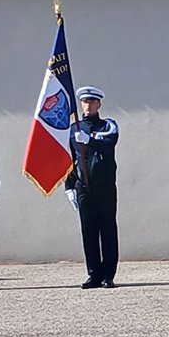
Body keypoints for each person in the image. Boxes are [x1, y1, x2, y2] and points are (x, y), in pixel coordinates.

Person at [65, 86, 120, 289]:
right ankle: (93, 274)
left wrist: (90, 139)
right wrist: (69, 186)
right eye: (84, 102)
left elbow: (110, 141)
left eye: (91, 102)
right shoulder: (73, 129)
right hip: (83, 187)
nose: (87, 106)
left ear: (98, 104)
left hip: (104, 186)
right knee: (88, 231)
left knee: (107, 229)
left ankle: (108, 274)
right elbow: (69, 159)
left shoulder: (108, 125)